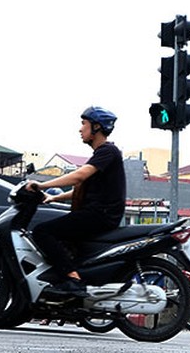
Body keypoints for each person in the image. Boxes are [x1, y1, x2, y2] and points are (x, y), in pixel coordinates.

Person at [26, 106, 125, 297]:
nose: (80, 129)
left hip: (99, 215)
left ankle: (72, 278)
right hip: (98, 213)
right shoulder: (102, 154)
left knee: (42, 231)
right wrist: (54, 197)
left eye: (84, 124)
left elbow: (79, 177)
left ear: (96, 127)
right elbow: (81, 189)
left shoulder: (108, 151)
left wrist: (41, 185)